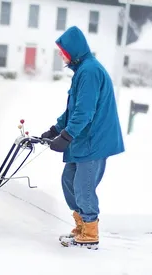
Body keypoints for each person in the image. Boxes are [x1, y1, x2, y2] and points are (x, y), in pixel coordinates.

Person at [41, 26, 124, 248]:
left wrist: (66, 136)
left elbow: (84, 112)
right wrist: (56, 129)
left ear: (73, 50)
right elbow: (74, 109)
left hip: (94, 140)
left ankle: (90, 233)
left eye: (62, 51)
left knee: (83, 186)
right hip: (84, 137)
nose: (61, 55)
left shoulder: (89, 72)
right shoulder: (82, 71)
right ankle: (81, 226)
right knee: (68, 181)